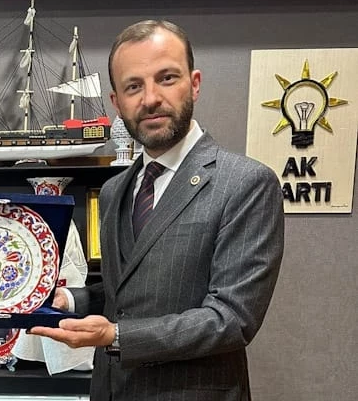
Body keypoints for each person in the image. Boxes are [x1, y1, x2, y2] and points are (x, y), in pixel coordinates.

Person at [29, 20, 284, 400]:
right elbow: (127, 292)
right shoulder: (113, 191)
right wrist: (71, 301)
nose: (150, 98)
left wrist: (116, 336)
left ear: (194, 84)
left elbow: (231, 319)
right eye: (133, 86)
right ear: (117, 102)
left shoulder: (246, 184)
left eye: (166, 78)